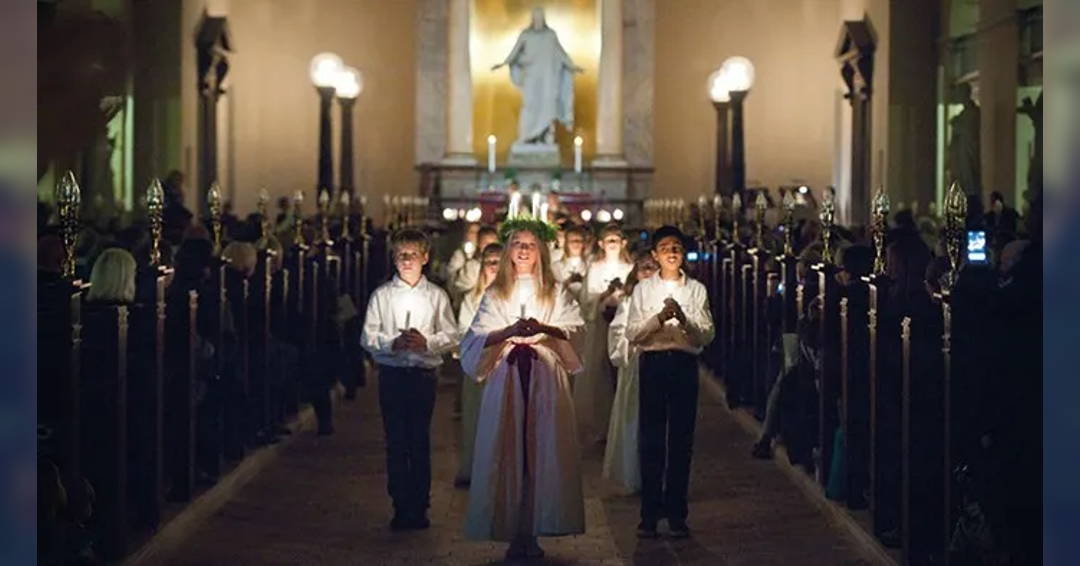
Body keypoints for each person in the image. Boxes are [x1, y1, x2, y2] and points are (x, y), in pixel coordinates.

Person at [460, 220, 585, 559]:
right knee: (509, 451)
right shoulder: (496, 292)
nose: (524, 250)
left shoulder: (555, 292)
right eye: (518, 244)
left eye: (530, 244)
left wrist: (543, 329)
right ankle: (513, 528)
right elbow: (475, 337)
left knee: (541, 452)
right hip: (508, 379)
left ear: (541, 251)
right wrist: (508, 332)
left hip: (544, 378)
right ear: (508, 252)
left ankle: (534, 528)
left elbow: (574, 329)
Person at [361, 228, 459, 530]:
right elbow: (368, 336)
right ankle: (400, 503)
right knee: (395, 440)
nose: (406, 261)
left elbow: (451, 335)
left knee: (418, 439)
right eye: (401, 255)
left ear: (425, 258)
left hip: (422, 376)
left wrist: (425, 342)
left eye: (412, 255)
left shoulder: (436, 296)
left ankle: (420, 504)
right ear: (393, 258)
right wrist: (392, 343)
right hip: (392, 375)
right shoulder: (382, 296)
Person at [625, 225, 714, 538]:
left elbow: (706, 334)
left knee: (681, 439)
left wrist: (683, 321)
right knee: (651, 439)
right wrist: (659, 319)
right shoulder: (643, 290)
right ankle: (649, 514)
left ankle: (677, 513)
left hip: (683, 364)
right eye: (665, 248)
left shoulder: (697, 290)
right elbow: (633, 333)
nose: (672, 252)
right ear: (655, 255)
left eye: (676, 246)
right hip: (653, 363)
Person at [603, 251, 659, 493]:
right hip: (637, 364)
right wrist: (636, 339)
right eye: (643, 268)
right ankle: (635, 473)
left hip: (662, 362)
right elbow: (618, 333)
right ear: (635, 274)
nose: (648, 272)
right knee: (634, 417)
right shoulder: (628, 302)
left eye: (652, 268)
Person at [576, 223, 633, 441]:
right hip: (601, 324)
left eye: (615, 241)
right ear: (601, 243)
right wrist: (606, 294)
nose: (612, 245)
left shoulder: (629, 268)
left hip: (622, 324)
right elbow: (587, 300)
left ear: (623, 243)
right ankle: (602, 423)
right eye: (608, 241)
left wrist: (621, 295)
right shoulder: (596, 268)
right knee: (600, 372)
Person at [454, 242, 503, 487]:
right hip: (478, 366)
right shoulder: (471, 299)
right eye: (489, 262)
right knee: (475, 417)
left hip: (504, 366)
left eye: (498, 262)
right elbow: (464, 331)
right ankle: (473, 467)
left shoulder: (508, 295)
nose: (493, 268)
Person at [451, 226, 499, 300]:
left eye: (493, 244)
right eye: (485, 243)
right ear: (478, 243)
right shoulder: (472, 265)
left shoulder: (503, 265)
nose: (490, 247)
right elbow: (459, 286)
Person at [551, 224, 588, 292]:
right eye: (572, 241)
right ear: (566, 244)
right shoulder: (556, 267)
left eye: (579, 240)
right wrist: (567, 283)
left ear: (584, 244)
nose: (576, 243)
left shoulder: (590, 266)